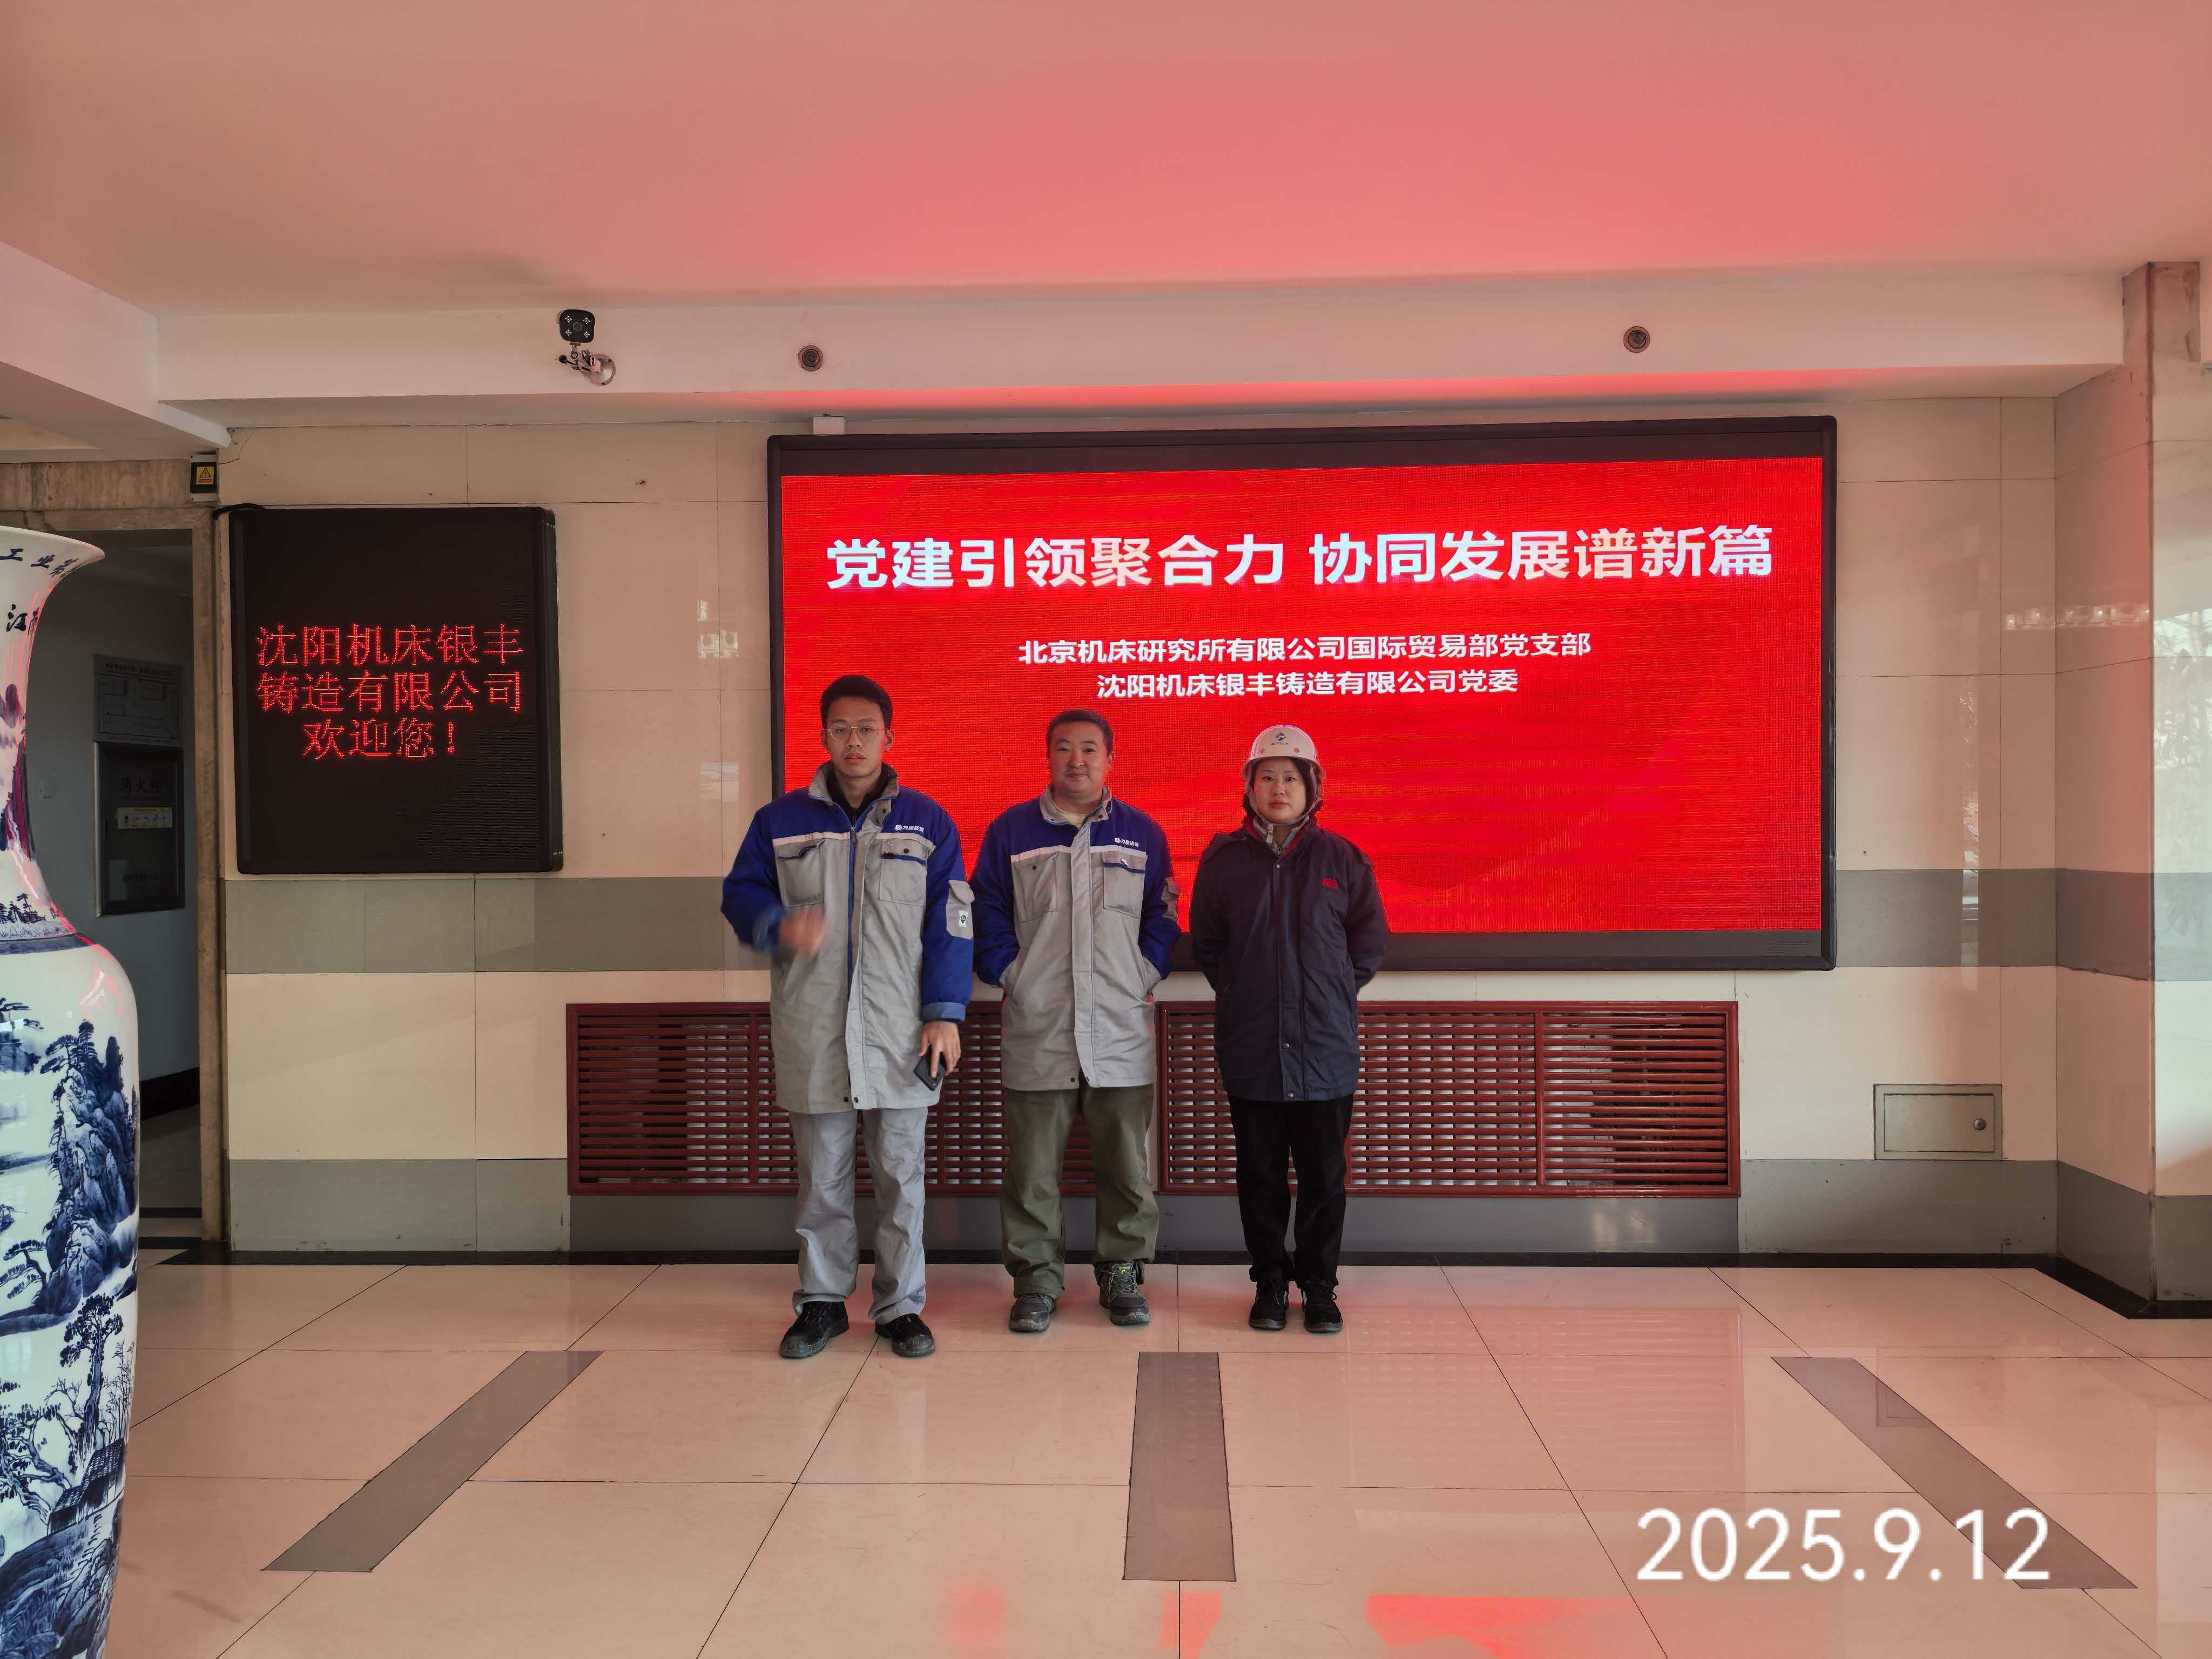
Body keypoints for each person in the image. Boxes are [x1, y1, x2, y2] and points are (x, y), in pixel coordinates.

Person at [722, 675, 973, 1361]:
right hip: (814, 1025)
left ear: (889, 737)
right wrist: (777, 924)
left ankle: (900, 1308)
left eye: (866, 728)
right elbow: (739, 894)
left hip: (901, 1030)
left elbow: (951, 923)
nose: (853, 741)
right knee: (822, 1177)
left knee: (900, 1179)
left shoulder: (927, 822)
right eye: (840, 729)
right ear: (823, 737)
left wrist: (944, 1013)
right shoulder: (779, 822)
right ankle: (823, 1303)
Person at [970, 710, 1177, 1333]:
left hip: (1118, 1027)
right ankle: (1036, 1280)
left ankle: (1122, 1272)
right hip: (1040, 1026)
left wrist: (1144, 971)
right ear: (1049, 756)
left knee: (1126, 1168)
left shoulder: (1142, 833)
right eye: (1064, 748)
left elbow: (1162, 915)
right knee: (1031, 1171)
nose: (1077, 760)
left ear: (1110, 759)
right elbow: (985, 911)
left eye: (1090, 749)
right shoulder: (1010, 831)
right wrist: (1011, 973)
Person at [1189, 725, 1387, 1335]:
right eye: (1267, 776)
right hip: (1252, 1044)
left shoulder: (1343, 859)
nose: (1279, 787)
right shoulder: (1223, 861)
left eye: (1291, 777)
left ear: (1313, 788)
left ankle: (1320, 1286)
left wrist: (1328, 994)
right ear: (1249, 787)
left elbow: (1367, 945)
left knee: (1325, 1177)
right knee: (1261, 1175)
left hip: (1325, 1047)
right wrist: (1246, 992)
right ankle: (1270, 1281)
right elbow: (1209, 946)